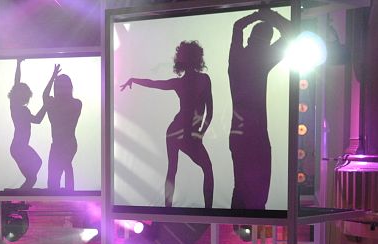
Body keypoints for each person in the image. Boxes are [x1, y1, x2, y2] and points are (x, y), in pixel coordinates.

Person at [121, 40, 215, 208]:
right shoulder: (190, 81)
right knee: (179, 169)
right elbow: (154, 83)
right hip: (178, 132)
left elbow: (210, 111)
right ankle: (170, 210)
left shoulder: (200, 80)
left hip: (179, 132)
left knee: (181, 169)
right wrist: (133, 79)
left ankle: (200, 212)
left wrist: (200, 133)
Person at [228, 7, 290, 210]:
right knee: (257, 192)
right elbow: (291, 31)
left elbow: (237, 26)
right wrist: (270, 15)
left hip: (238, 132)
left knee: (241, 188)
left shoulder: (237, 58)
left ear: (250, 39)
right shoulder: (262, 59)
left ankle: (240, 221)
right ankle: (248, 220)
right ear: (266, 44)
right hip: (256, 133)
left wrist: (258, 15)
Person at [42, 64, 82, 191]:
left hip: (68, 143)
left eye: (63, 86)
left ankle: (70, 194)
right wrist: (53, 77)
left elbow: (45, 96)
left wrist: (53, 78)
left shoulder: (75, 103)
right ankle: (66, 193)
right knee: (52, 182)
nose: (61, 89)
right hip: (57, 144)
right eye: (59, 86)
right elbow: (45, 96)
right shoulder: (54, 103)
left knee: (66, 167)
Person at [8, 59, 46, 190]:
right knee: (32, 177)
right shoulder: (15, 107)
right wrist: (18, 64)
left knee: (37, 166)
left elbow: (37, 120)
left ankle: (22, 191)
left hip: (21, 147)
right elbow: (16, 83)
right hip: (18, 147)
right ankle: (21, 192)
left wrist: (45, 106)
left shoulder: (21, 109)